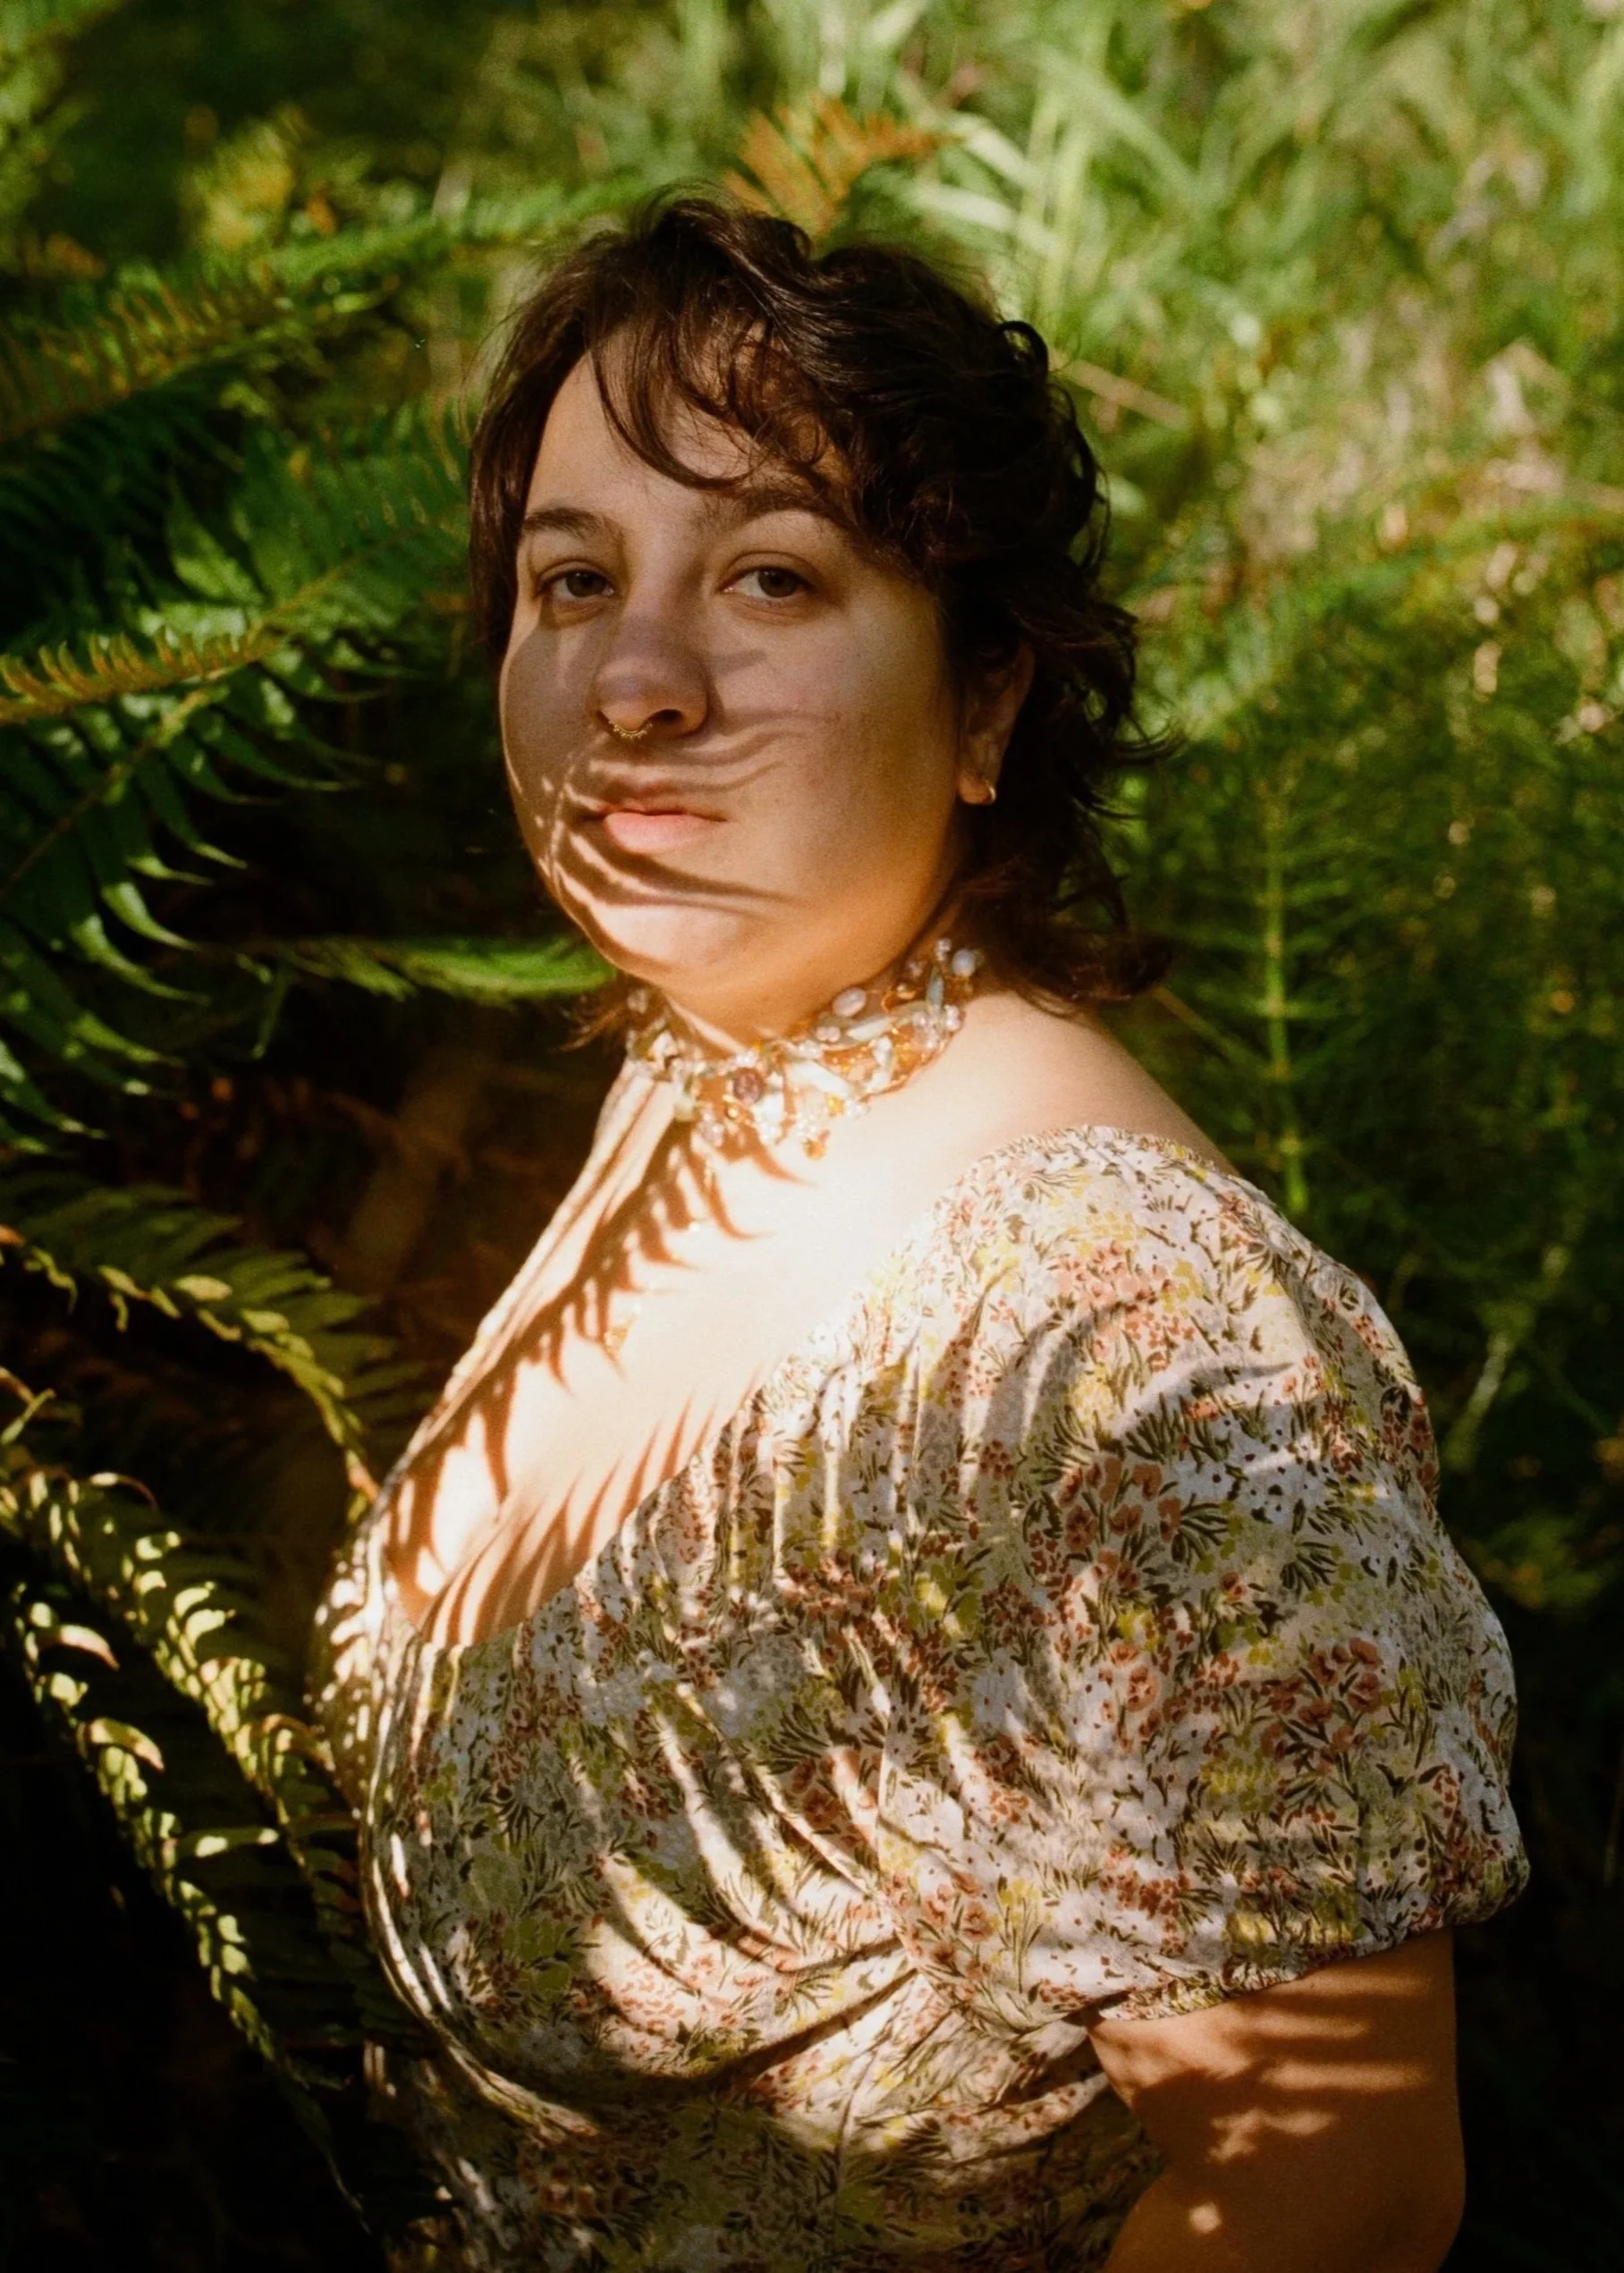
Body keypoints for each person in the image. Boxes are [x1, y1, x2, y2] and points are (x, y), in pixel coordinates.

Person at [310, 196, 1526, 2272]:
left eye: (769, 576)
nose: (634, 679)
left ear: (984, 702)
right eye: (571, 578)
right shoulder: (705, 1069)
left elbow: (1330, 2188)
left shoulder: (1125, 1336)